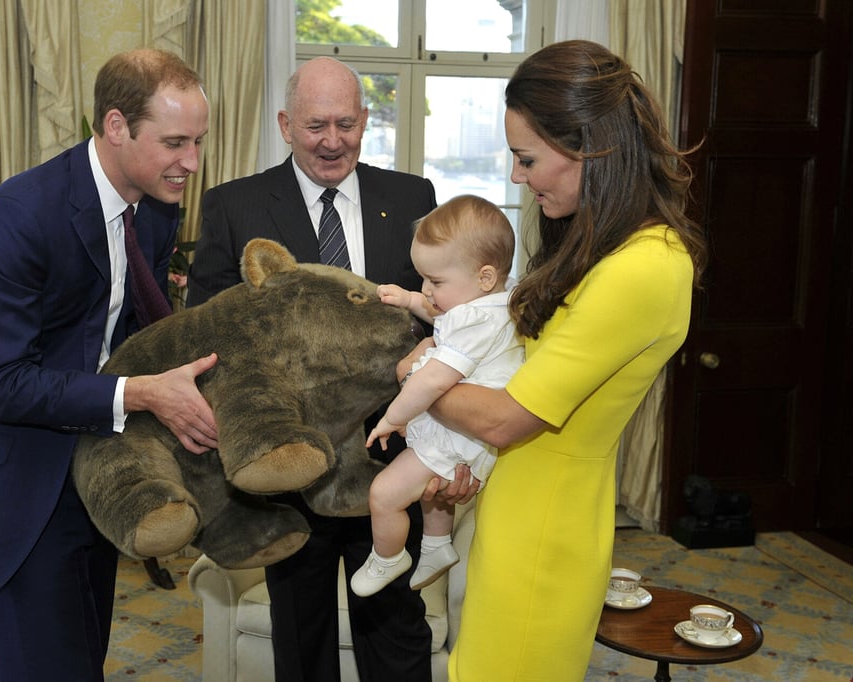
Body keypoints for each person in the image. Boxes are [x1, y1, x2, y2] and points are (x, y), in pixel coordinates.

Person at [0, 49, 219, 682]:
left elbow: (123, 331)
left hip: (87, 477)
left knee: (84, 663)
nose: (191, 163)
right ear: (117, 126)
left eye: (200, 142)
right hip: (13, 489)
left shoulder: (154, 207)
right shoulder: (14, 220)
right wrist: (141, 395)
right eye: (175, 142)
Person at [407, 40, 708, 681]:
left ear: (591, 146)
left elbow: (505, 419)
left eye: (527, 158)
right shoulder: (600, 247)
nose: (516, 176)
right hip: (514, 505)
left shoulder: (646, 265)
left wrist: (414, 374)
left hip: (544, 530)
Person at [187, 56, 440, 682]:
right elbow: (209, 335)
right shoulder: (232, 206)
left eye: (347, 124)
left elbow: (443, 320)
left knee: (394, 623)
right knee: (300, 633)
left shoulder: (412, 197)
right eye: (316, 125)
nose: (333, 141)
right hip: (289, 463)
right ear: (285, 124)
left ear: (365, 122)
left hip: (389, 453)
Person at [350, 195, 524, 598]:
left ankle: (388, 557)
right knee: (432, 493)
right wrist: (413, 301)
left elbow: (430, 383)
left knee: (384, 494)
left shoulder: (475, 320)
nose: (426, 289)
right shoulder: (495, 302)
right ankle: (436, 545)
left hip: (460, 433)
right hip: (469, 434)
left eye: (436, 282)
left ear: (483, 276)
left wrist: (393, 417)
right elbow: (448, 318)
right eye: (423, 280)